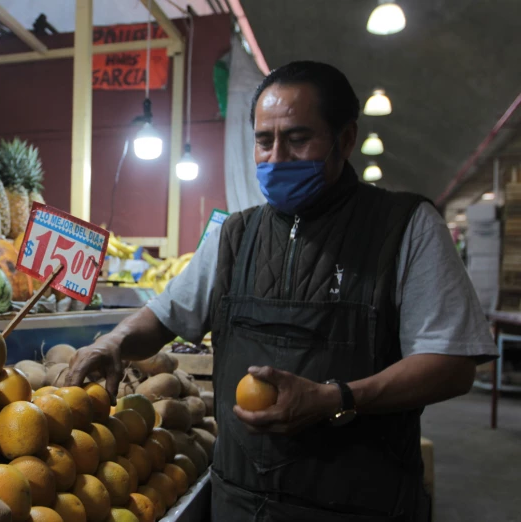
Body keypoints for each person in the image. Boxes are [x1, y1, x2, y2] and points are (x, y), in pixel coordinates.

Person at [67, 61, 497, 521]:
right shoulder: (236, 235)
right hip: (239, 504)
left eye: (297, 139)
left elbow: (451, 365)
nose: (275, 159)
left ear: (345, 139)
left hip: (357, 507)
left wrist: (338, 398)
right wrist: (115, 341)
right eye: (263, 141)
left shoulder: (405, 228)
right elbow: (166, 314)